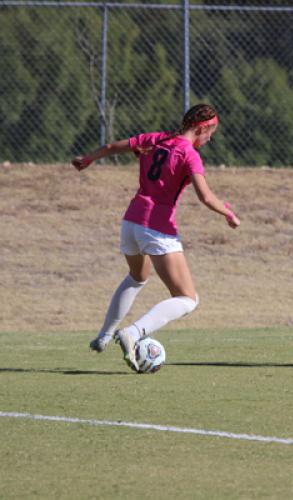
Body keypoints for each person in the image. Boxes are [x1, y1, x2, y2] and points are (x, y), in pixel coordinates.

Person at [72, 103, 240, 372]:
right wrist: (229, 214)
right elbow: (205, 196)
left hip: (131, 222)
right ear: (200, 128)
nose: (210, 139)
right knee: (187, 299)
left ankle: (104, 335)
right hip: (156, 227)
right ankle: (133, 332)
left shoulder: (158, 139)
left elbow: (115, 146)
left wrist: (89, 158)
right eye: (211, 133)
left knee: (137, 276)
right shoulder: (189, 154)